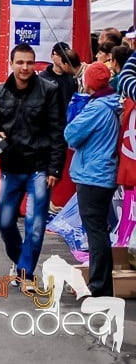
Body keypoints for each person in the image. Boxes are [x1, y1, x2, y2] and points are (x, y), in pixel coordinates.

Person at [0, 43, 67, 286]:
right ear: (11, 64)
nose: (25, 67)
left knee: (36, 223)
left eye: (30, 63)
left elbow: (58, 131)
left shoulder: (49, 90)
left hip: (40, 167)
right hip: (11, 166)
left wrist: (54, 168)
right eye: (20, 62)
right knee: (5, 222)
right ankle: (21, 260)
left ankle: (25, 272)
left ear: (35, 64)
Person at [64, 62, 121, 297]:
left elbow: (71, 134)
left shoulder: (96, 108)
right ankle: (101, 283)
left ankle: (99, 286)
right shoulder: (112, 103)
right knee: (99, 229)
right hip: (103, 172)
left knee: (95, 231)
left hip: (93, 175)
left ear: (88, 82)